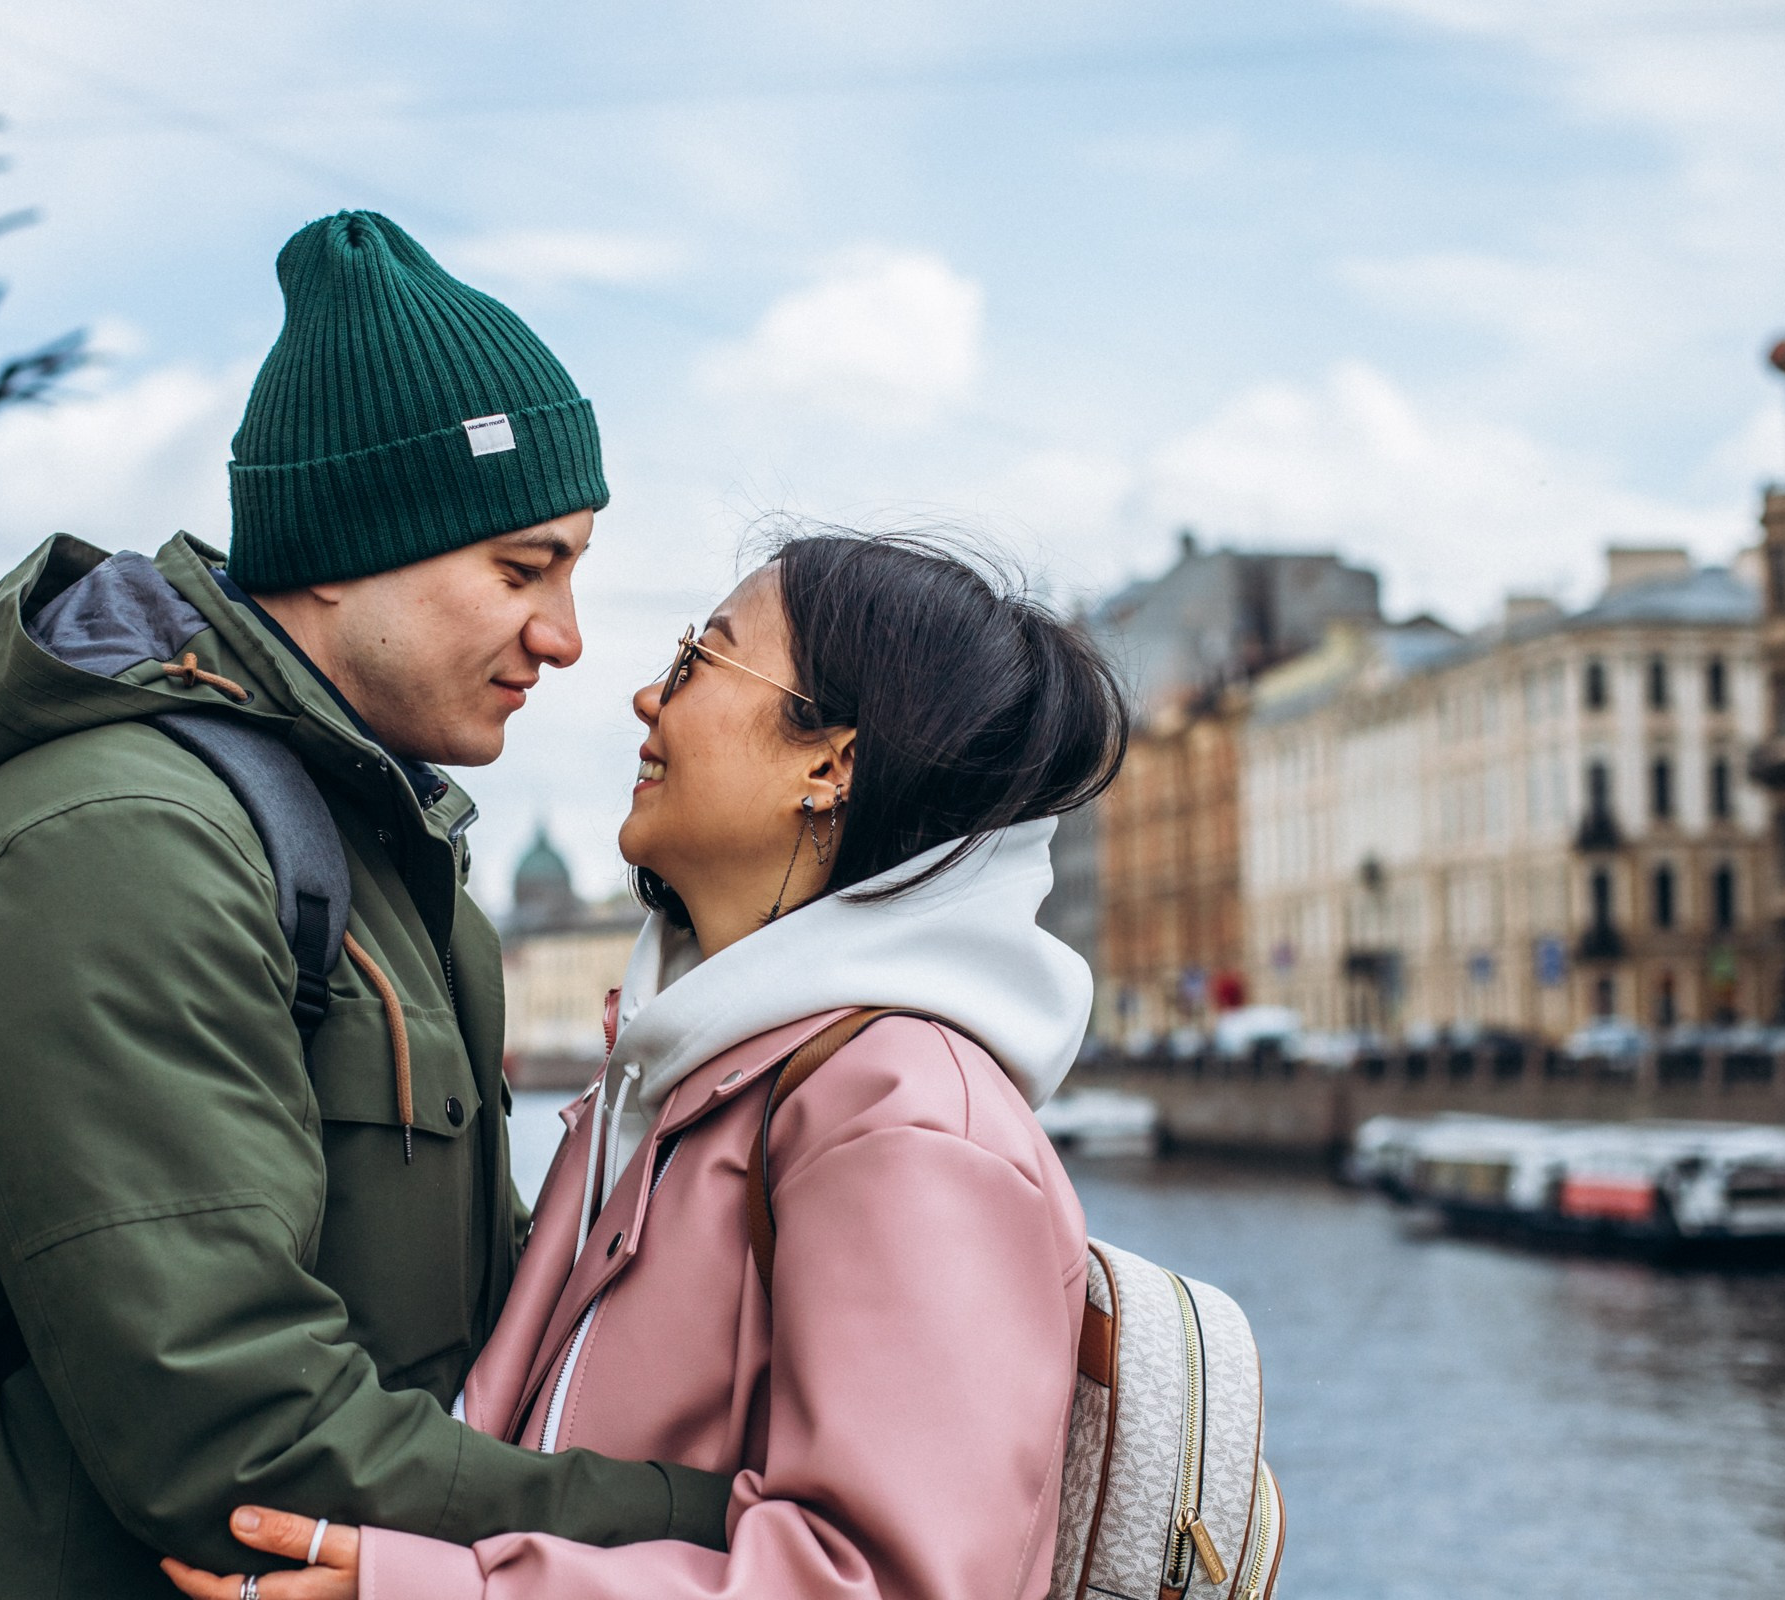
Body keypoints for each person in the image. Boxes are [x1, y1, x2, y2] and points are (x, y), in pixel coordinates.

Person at [0, 212, 733, 1597]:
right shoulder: (121, 847)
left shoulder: (363, 850)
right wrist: (724, 1520)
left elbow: (484, 1323)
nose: (564, 637)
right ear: (343, 550)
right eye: (523, 568)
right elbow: (244, 1442)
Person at [166, 530, 1128, 1600]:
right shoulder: (693, 1067)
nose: (642, 697)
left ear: (831, 763)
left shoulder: (903, 1116)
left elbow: (887, 1583)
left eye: (696, 660)